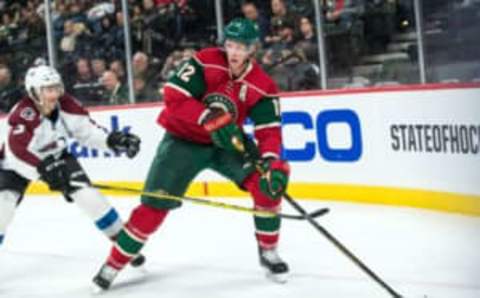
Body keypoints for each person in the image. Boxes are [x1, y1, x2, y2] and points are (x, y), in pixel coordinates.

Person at [92, 18, 291, 291]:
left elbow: (269, 129)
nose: (233, 52)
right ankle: (113, 265)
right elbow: (173, 96)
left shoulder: (262, 84)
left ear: (252, 49)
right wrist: (207, 116)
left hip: (226, 144)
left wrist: (269, 158)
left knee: (267, 186)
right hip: (182, 141)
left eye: (241, 47)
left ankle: (268, 252)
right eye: (230, 45)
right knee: (154, 206)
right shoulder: (206, 60)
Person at [0, 65, 144, 267]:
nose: (54, 94)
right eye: (47, 89)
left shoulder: (66, 104)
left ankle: (124, 246)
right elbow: (17, 153)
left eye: (56, 88)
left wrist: (112, 140)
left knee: (91, 198)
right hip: (16, 165)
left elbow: (86, 132)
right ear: (34, 92)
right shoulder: (24, 114)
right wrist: (43, 171)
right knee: (2, 207)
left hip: (57, 157)